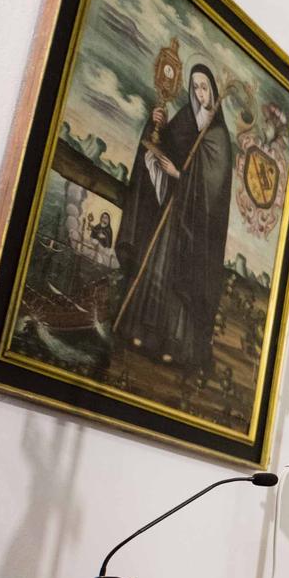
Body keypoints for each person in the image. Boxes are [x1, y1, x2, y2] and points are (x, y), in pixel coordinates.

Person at [113, 62, 235, 369]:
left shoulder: (218, 135)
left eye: (204, 86)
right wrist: (156, 125)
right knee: (156, 272)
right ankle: (141, 333)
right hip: (169, 217)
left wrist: (180, 174)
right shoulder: (185, 119)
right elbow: (161, 145)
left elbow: (213, 188)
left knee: (179, 282)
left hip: (192, 229)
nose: (199, 92)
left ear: (213, 90)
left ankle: (176, 349)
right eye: (194, 87)